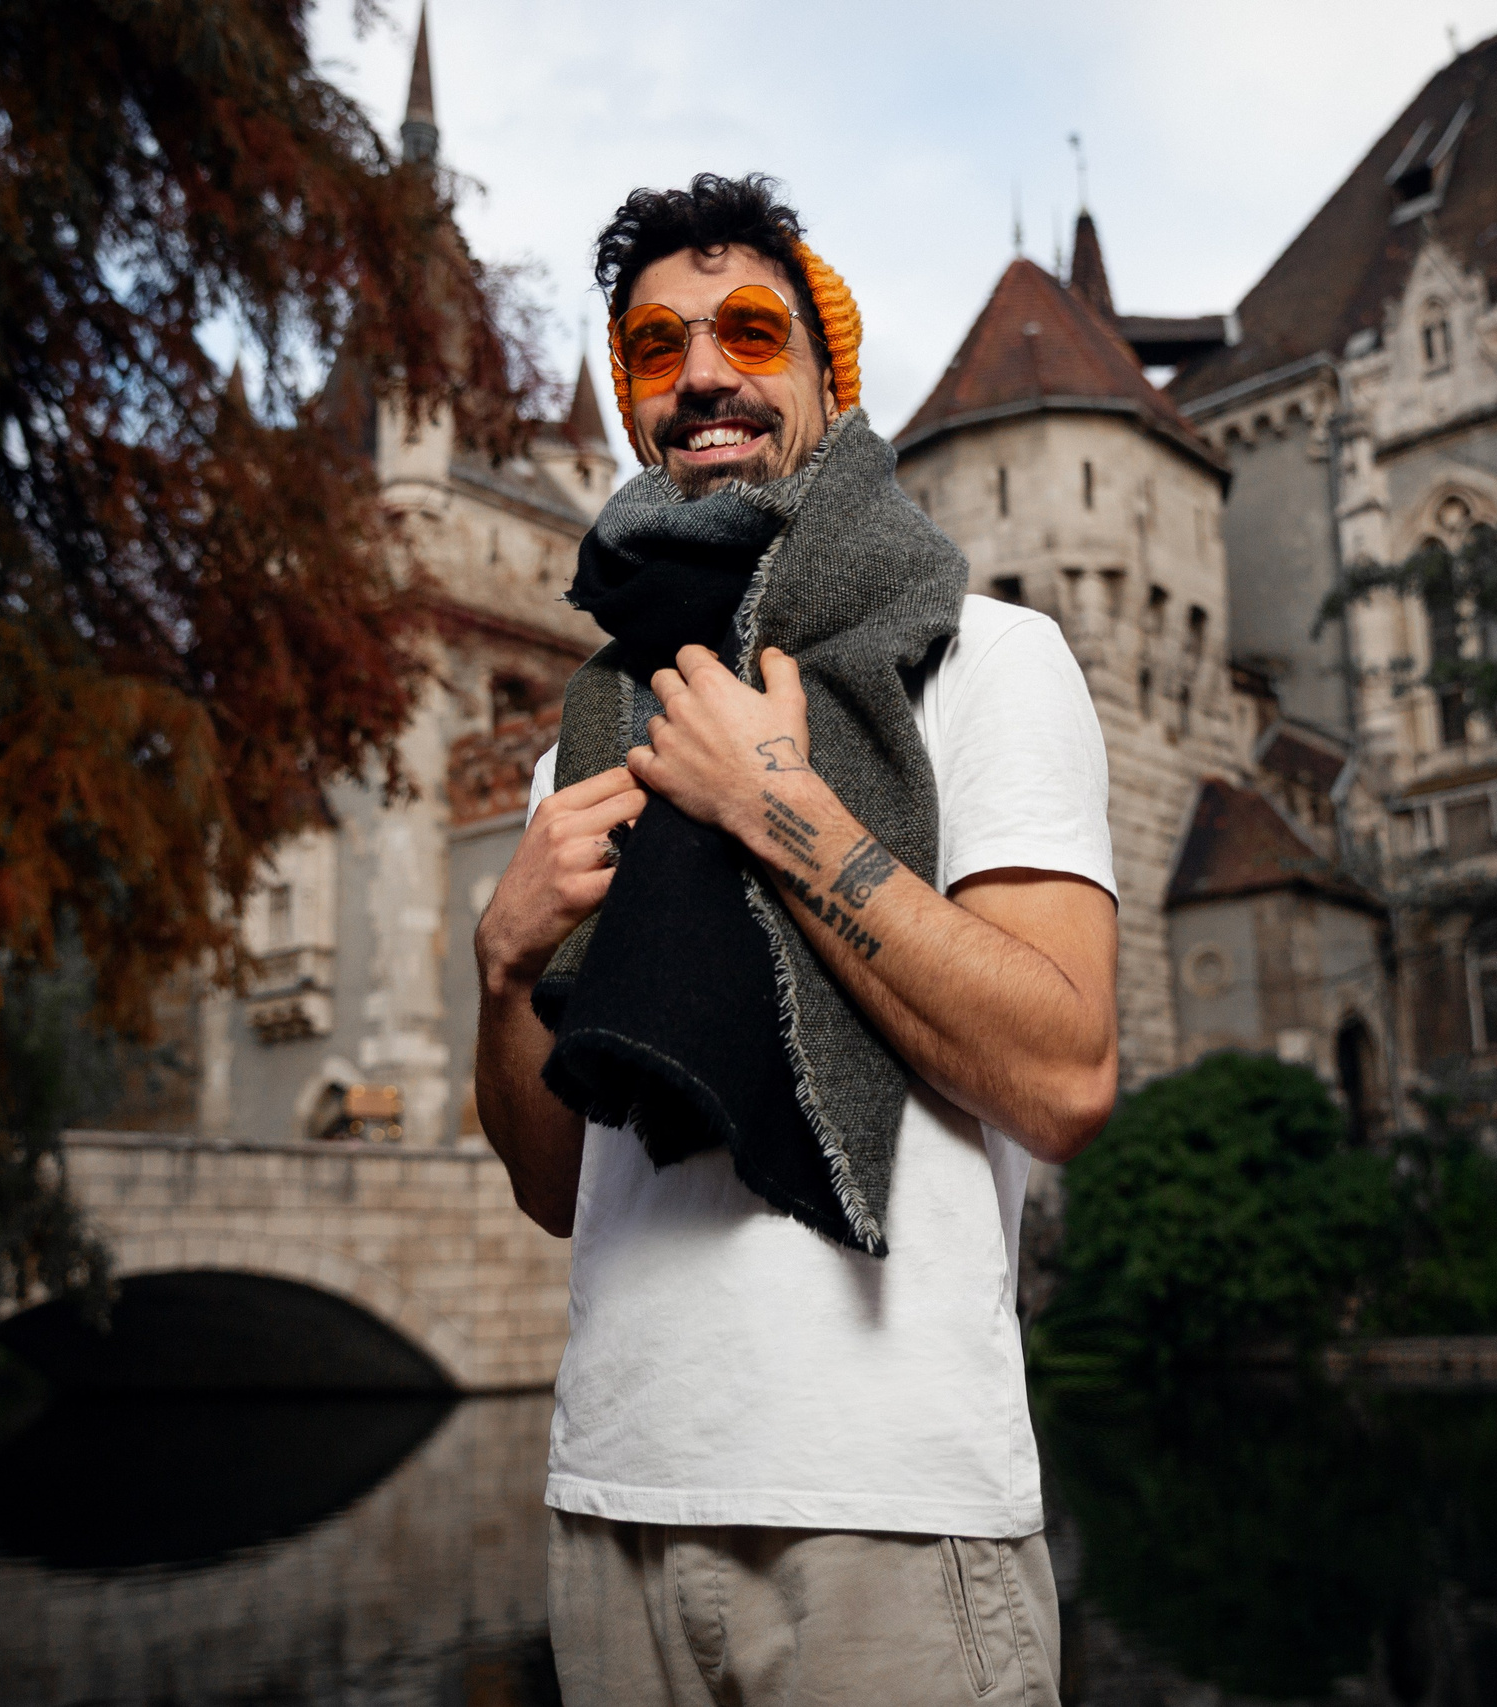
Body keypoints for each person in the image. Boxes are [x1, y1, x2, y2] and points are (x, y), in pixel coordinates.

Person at [473, 172, 1117, 1706]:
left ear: (826, 376)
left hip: (892, 1519)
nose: (702, 373)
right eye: (654, 348)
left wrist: (781, 810)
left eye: (748, 331)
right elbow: (554, 1188)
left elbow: (1065, 1076)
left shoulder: (987, 661)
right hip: (618, 1504)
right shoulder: (585, 738)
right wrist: (502, 963)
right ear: (631, 403)